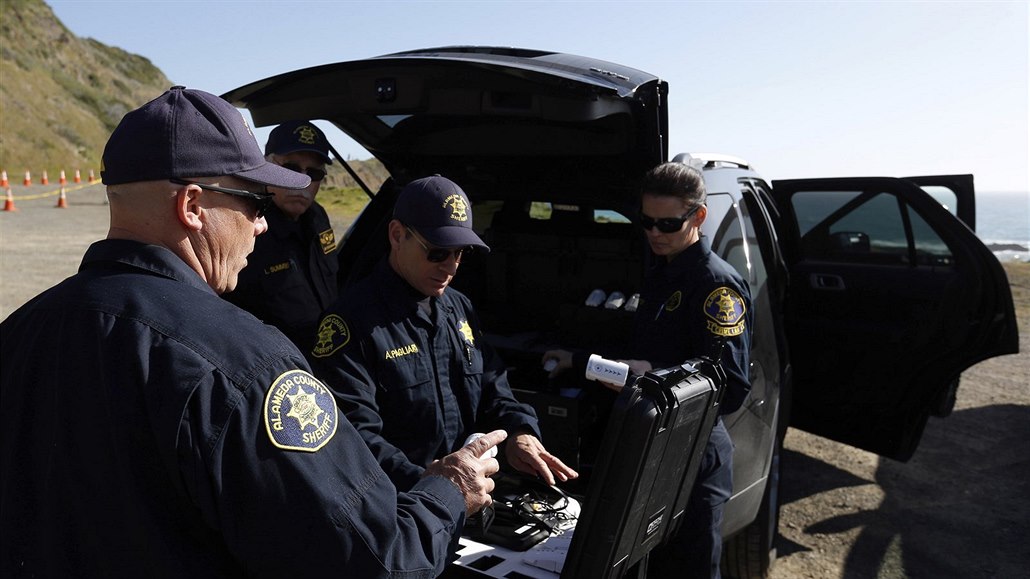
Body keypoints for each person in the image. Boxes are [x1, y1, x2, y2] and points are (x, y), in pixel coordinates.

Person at [0, 87, 505, 578]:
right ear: (193, 207)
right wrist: (447, 490)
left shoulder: (21, 331)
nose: (261, 225)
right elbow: (378, 560)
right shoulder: (247, 365)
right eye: (254, 203)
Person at [543, 162, 752, 579]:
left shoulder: (716, 286)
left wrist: (649, 374)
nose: (654, 232)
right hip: (648, 448)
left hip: (692, 459)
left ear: (698, 216)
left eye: (668, 223)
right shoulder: (662, 269)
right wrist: (586, 359)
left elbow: (730, 387)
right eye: (646, 221)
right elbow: (639, 352)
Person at [310, 175, 578, 492]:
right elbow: (352, 435)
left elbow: (494, 389)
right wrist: (435, 485)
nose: (450, 267)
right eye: (437, 252)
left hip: (467, 498)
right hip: (399, 508)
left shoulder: (458, 309)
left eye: (460, 253)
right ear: (397, 236)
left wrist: (519, 431)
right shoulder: (350, 321)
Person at [223, 120, 338, 352]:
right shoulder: (245, 223)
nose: (303, 181)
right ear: (267, 165)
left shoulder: (317, 218)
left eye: (314, 173)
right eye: (292, 168)